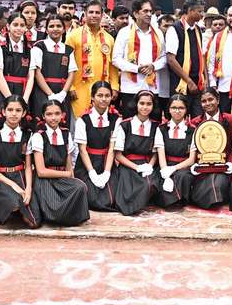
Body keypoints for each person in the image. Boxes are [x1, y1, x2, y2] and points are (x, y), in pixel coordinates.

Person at [0, 95, 40, 228]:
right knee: (15, 203)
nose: (14, 114)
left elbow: (27, 166)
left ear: (24, 113)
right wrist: (13, 186)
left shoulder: (28, 134)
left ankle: (11, 209)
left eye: (18, 110)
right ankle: (1, 208)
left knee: (34, 221)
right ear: (3, 111)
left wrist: (28, 188)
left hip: (20, 175)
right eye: (10, 110)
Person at [31, 100, 89, 226]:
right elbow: (41, 171)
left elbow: (68, 163)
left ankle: (67, 215)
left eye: (57, 113)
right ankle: (58, 215)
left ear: (62, 115)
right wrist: (66, 174)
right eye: (49, 114)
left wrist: (72, 180)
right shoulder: (39, 136)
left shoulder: (66, 133)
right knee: (54, 206)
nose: (53, 118)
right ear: (43, 116)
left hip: (62, 178)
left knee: (80, 187)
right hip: (45, 180)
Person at [112, 0, 165, 120]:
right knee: (129, 124)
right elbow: (116, 59)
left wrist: (153, 66)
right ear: (135, 13)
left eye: (150, 11)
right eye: (145, 11)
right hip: (130, 87)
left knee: (153, 124)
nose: (149, 14)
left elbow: (164, 58)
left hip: (152, 87)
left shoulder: (158, 33)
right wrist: (137, 69)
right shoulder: (124, 32)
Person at [66, 0, 119, 122]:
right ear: (84, 14)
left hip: (102, 91)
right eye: (91, 12)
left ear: (102, 15)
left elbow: (113, 66)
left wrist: (115, 86)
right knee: (79, 125)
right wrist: (71, 87)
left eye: (97, 12)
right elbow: (66, 63)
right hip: (79, 89)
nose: (94, 15)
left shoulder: (109, 38)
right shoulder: (73, 36)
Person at [188, 87, 232, 209]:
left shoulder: (230, 120)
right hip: (203, 165)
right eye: (204, 101)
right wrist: (195, 164)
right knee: (205, 181)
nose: (207, 104)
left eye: (211, 99)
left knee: (218, 182)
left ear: (218, 100)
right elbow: (193, 148)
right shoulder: (195, 122)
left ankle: (213, 200)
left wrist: (231, 163)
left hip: (223, 165)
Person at [112, 89, 161, 215]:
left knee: (150, 184)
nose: (145, 107)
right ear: (136, 104)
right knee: (129, 189)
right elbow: (118, 154)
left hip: (147, 164)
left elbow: (156, 151)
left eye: (149, 104)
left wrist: (149, 165)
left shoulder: (156, 126)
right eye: (142, 103)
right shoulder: (125, 125)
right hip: (128, 165)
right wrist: (137, 167)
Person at [74, 81, 118, 211]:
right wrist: (92, 172)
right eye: (100, 95)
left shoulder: (116, 119)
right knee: (91, 197)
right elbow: (82, 149)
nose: (103, 99)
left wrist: (107, 172)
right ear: (92, 97)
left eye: (107, 95)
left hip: (106, 162)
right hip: (87, 163)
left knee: (112, 198)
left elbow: (112, 149)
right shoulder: (83, 120)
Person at [0, 12, 35, 129]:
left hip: (23, 92)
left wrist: (24, 99)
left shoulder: (30, 50)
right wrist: (11, 100)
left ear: (25, 28)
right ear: (8, 26)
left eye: (22, 25)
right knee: (0, 126)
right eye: (15, 24)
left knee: (22, 128)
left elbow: (31, 77)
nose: (19, 28)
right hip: (3, 92)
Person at [30, 13, 77, 122]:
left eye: (58, 26)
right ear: (46, 30)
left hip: (62, 92)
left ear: (64, 29)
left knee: (61, 123)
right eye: (51, 26)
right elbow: (37, 72)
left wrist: (64, 93)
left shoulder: (69, 50)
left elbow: (71, 73)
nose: (55, 29)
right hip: (42, 91)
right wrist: (50, 94)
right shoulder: (39, 46)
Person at [165, 0, 206, 118]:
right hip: (181, 83)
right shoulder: (175, 29)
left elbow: (201, 57)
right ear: (189, 10)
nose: (202, 14)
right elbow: (171, 59)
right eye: (199, 11)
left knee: (197, 118)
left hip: (197, 83)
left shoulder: (198, 29)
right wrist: (188, 81)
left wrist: (205, 81)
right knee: (179, 117)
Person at [154, 94, 196, 208]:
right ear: (169, 109)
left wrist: (174, 169)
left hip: (183, 167)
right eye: (174, 108)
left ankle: (177, 201)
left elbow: (191, 159)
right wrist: (165, 172)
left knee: (182, 177)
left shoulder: (193, 130)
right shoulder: (161, 129)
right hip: (165, 165)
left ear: (186, 110)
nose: (177, 111)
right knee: (157, 178)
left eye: (181, 108)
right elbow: (160, 153)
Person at [206, 4, 232, 115]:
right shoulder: (218, 37)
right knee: (225, 121)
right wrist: (213, 83)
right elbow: (212, 63)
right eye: (230, 15)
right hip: (223, 88)